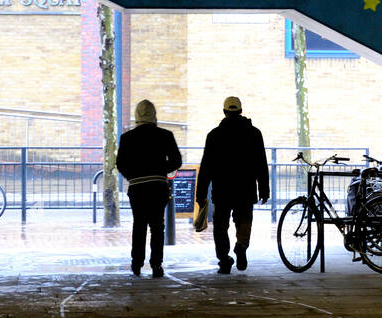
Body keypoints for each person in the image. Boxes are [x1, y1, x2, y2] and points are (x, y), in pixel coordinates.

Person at [196, 96, 270, 273]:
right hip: (245, 188)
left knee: (221, 226)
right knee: (244, 221)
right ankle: (241, 246)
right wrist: (264, 188)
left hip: (222, 190)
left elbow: (206, 166)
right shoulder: (254, 133)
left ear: (224, 112)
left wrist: (201, 193)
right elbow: (261, 163)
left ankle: (224, 260)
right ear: (241, 112)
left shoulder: (214, 135)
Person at [115, 99, 182, 278]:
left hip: (137, 188)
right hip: (158, 186)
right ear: (154, 115)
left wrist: (133, 176)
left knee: (139, 225)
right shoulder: (165, 135)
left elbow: (120, 163)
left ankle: (136, 264)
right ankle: (156, 265)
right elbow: (177, 161)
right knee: (157, 227)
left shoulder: (127, 138)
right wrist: (161, 170)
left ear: (136, 116)